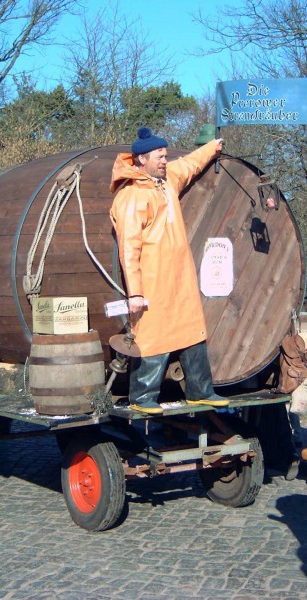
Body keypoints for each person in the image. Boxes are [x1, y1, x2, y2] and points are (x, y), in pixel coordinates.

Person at [109, 127, 228, 414]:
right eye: (159, 157)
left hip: (180, 274)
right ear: (141, 159)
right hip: (152, 278)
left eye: (165, 156)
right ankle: (142, 396)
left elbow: (189, 164)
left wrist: (212, 147)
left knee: (192, 327)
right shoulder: (132, 196)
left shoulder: (166, 180)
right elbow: (129, 248)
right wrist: (135, 292)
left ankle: (200, 391)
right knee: (153, 332)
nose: (165, 160)